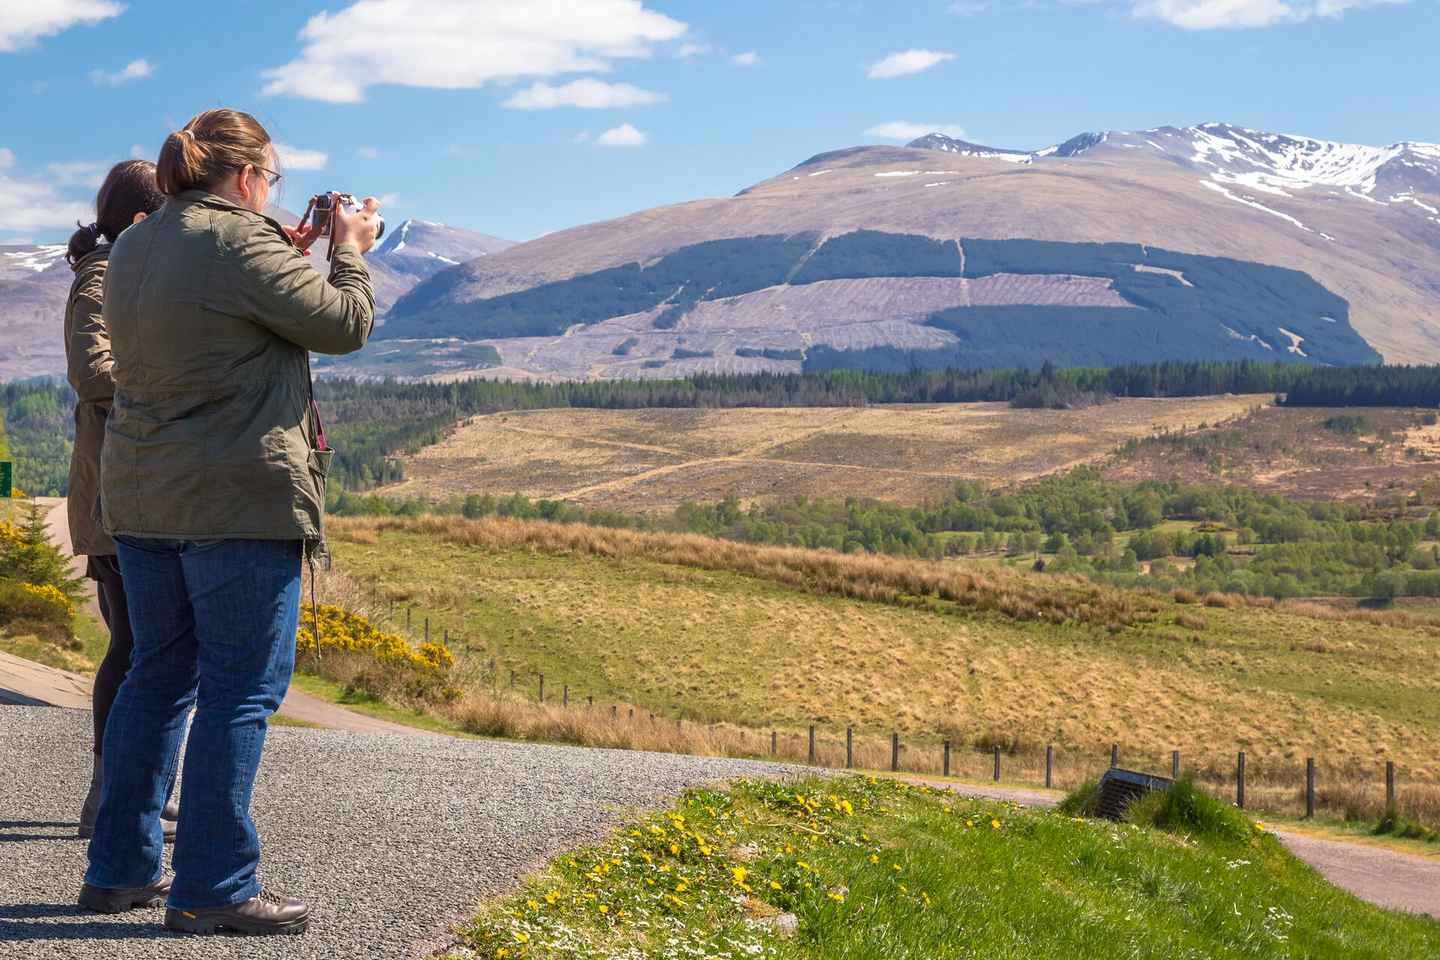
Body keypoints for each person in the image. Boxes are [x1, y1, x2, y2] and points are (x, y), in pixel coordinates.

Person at [77, 108, 380, 936]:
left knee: (156, 676)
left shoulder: (135, 244)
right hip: (236, 500)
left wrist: (287, 249)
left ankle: (117, 870)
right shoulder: (240, 242)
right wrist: (350, 250)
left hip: (143, 495)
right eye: (270, 178)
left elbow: (216, 308)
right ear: (247, 177)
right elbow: (344, 325)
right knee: (240, 691)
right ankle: (213, 884)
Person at [63, 160, 180, 842]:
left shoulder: (127, 271)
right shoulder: (100, 277)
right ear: (140, 221)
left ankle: (140, 788)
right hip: (114, 494)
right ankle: (110, 794)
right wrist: (177, 382)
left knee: (150, 645)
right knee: (134, 644)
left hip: (139, 485)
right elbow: (92, 373)